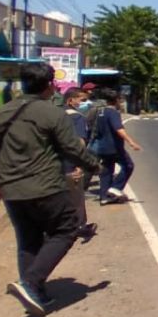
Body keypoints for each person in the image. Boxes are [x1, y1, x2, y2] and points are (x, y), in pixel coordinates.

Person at [0, 63, 102, 317]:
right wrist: (96, 166)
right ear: (50, 85)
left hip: (12, 190)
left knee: (28, 239)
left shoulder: (2, 112)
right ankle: (30, 283)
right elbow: (72, 148)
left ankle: (35, 291)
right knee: (67, 228)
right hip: (44, 186)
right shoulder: (52, 114)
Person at [89, 89, 143, 204]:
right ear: (117, 100)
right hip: (114, 147)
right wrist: (131, 142)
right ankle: (115, 188)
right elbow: (119, 129)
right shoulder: (113, 113)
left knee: (107, 169)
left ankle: (104, 196)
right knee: (128, 165)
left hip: (102, 147)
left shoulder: (100, 112)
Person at [61, 88, 97, 242]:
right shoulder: (77, 117)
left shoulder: (55, 114)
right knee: (76, 195)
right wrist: (80, 164)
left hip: (52, 162)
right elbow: (80, 142)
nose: (85, 103)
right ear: (70, 100)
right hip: (70, 161)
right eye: (81, 100)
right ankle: (79, 226)